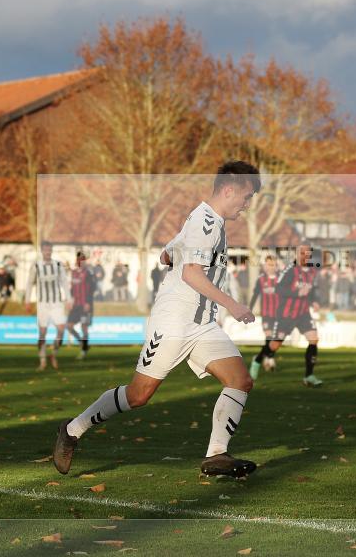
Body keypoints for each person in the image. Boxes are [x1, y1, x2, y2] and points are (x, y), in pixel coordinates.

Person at [53, 161, 260, 478]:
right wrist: (233, 305)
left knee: (240, 380)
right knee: (139, 395)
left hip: (200, 324)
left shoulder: (204, 220)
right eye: (245, 197)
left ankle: (217, 455)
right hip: (174, 322)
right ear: (229, 190)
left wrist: (174, 256)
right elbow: (192, 273)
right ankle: (72, 430)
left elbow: (166, 255)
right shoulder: (206, 223)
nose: (246, 205)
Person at [250, 244, 323, 387]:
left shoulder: (313, 271)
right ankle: (257, 360)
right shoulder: (290, 270)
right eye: (301, 252)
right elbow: (278, 289)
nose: (304, 255)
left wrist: (314, 301)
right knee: (274, 345)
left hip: (303, 314)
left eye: (307, 252)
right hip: (286, 314)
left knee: (313, 339)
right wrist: (296, 293)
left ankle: (309, 376)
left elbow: (312, 290)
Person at [25, 242, 72, 371]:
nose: (48, 252)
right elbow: (29, 284)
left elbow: (64, 282)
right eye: (45, 250)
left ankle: (53, 354)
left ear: (51, 250)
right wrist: (27, 300)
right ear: (41, 251)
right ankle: (42, 360)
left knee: (61, 329)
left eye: (49, 250)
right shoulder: (36, 266)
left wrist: (69, 299)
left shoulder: (57, 265)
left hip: (57, 302)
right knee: (42, 333)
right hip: (43, 304)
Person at [248, 255, 280, 378]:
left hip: (279, 315)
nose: (270, 267)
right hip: (267, 314)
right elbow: (255, 294)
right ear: (264, 266)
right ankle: (261, 360)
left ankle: (265, 357)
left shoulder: (280, 279)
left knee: (274, 341)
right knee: (269, 336)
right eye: (268, 264)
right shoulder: (261, 280)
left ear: (276, 266)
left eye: (272, 265)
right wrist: (249, 309)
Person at [66, 251, 96, 360]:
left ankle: (83, 351)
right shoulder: (73, 273)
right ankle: (83, 344)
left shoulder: (88, 273)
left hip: (85, 305)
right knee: (69, 326)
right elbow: (72, 289)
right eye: (78, 259)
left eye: (82, 259)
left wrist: (88, 302)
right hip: (76, 305)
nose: (80, 261)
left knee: (84, 327)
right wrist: (69, 301)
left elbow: (92, 288)